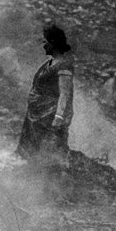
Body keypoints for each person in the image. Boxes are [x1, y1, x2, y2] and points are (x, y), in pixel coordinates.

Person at [16, 23, 74, 163]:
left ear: (53, 43)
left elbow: (64, 93)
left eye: (45, 42)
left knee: (49, 150)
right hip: (36, 115)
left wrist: (59, 117)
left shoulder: (63, 66)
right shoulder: (49, 64)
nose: (43, 45)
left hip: (48, 116)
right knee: (30, 150)